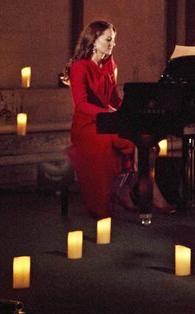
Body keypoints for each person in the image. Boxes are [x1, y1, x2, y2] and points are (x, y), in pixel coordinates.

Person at [63, 21, 171, 218]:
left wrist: (133, 111)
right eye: (108, 39)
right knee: (105, 147)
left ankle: (133, 190)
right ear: (94, 40)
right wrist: (108, 115)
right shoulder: (80, 67)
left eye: (114, 39)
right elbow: (81, 104)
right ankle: (141, 195)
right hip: (88, 126)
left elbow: (114, 99)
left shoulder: (110, 64)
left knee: (143, 142)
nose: (113, 44)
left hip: (108, 121)